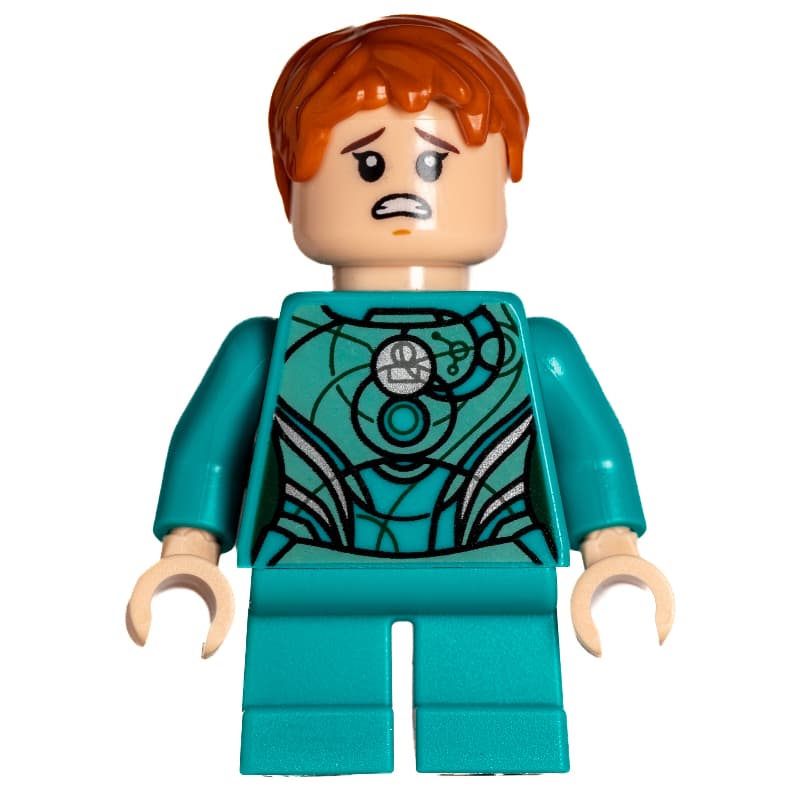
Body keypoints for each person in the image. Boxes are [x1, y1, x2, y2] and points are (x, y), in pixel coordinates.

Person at [127, 15, 673, 775]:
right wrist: (188, 553)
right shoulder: (267, 347)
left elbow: (590, 452)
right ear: (291, 188)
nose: (401, 190)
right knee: (309, 723)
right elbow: (208, 451)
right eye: (366, 164)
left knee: (499, 723)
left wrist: (612, 551)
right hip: (309, 575)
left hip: (496, 575)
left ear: (503, 175)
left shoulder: (534, 346)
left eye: (435, 161)